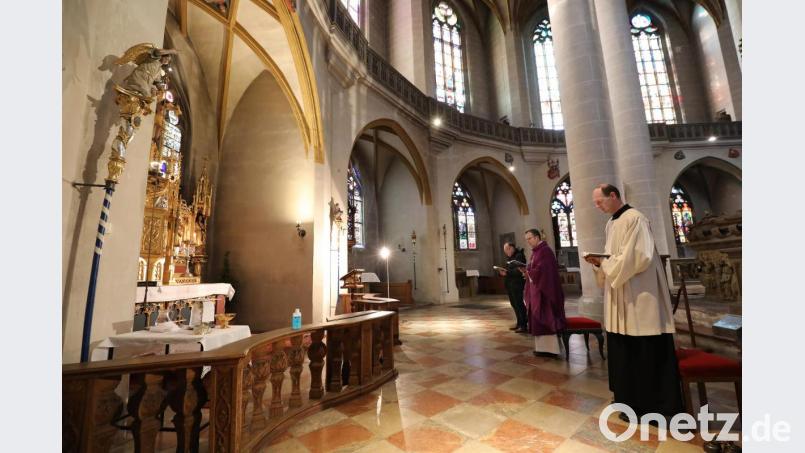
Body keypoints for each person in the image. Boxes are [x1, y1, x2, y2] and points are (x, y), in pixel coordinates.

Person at [585, 184, 683, 420]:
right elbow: (616, 257)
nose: (597, 206)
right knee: (623, 349)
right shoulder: (611, 223)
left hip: (640, 296)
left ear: (613, 195)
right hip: (621, 295)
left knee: (644, 349)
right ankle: (629, 400)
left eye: (600, 201)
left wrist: (604, 264)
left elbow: (638, 257)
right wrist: (601, 262)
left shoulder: (635, 218)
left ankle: (652, 405)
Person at [520, 229, 566, 358]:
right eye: (526, 239)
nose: (528, 242)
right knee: (537, 318)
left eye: (529, 238)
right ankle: (542, 348)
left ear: (536, 237)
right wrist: (527, 271)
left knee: (546, 317)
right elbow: (534, 269)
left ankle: (551, 350)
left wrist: (529, 272)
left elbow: (544, 271)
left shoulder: (545, 251)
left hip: (545, 292)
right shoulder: (536, 252)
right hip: (537, 291)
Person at [498, 242, 527, 333]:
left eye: (507, 250)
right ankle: (519, 323)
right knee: (514, 304)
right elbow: (510, 270)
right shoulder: (511, 258)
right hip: (511, 284)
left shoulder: (519, 256)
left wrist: (507, 272)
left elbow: (520, 271)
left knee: (519, 304)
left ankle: (523, 325)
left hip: (517, 284)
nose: (506, 252)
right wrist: (504, 272)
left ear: (511, 248)